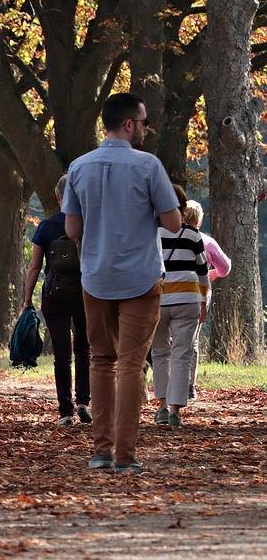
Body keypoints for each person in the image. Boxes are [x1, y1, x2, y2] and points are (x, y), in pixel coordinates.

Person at [63, 92, 182, 472]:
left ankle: (101, 449)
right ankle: (125, 455)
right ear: (129, 124)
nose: (146, 128)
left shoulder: (79, 167)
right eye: (144, 122)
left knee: (100, 360)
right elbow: (174, 223)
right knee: (131, 363)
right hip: (140, 276)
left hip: (95, 276)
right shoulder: (149, 166)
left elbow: (71, 228)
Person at [24, 174, 91, 426]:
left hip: (55, 294)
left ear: (57, 196)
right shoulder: (88, 223)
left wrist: (27, 299)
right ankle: (84, 400)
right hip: (85, 292)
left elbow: (34, 267)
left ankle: (65, 410)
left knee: (62, 354)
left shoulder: (46, 226)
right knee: (84, 348)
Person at [151, 194, 210, 428]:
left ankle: (162, 406)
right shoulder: (194, 235)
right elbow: (203, 272)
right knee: (182, 353)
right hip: (187, 298)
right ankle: (176, 409)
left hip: (157, 299)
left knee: (159, 353)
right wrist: (204, 302)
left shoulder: (153, 233)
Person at [184, 200, 230, 399]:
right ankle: (189, 386)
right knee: (192, 341)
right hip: (200, 293)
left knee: (170, 339)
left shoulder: (168, 237)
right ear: (199, 220)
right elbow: (226, 267)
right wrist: (213, 274)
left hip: (170, 292)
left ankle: (170, 383)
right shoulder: (207, 242)